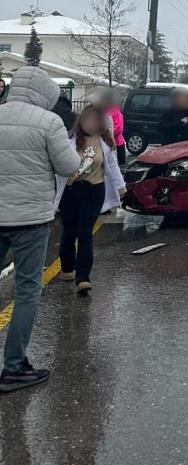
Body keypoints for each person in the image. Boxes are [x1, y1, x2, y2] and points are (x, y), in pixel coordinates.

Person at [0, 66, 80, 392]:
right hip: (30, 220)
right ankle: (14, 367)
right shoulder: (50, 122)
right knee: (28, 291)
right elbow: (68, 166)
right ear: (46, 93)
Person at [54, 105, 125, 296]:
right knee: (69, 230)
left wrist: (121, 186)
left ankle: (83, 277)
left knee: (85, 232)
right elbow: (60, 164)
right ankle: (68, 267)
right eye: (87, 120)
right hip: (71, 191)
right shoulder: (70, 141)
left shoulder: (104, 142)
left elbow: (112, 165)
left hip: (95, 190)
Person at [92, 87, 126, 166]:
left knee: (117, 164)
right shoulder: (101, 112)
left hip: (117, 142)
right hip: (105, 141)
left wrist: (108, 132)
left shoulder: (116, 112)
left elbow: (119, 127)